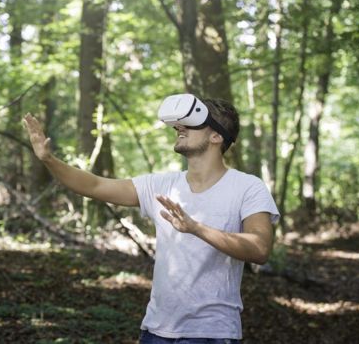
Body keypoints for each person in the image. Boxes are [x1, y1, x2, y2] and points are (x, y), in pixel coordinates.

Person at [23, 95, 279, 344]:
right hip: (156, 329)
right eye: (179, 123)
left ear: (216, 136)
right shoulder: (161, 184)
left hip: (212, 331)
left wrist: (196, 228)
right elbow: (96, 185)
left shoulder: (248, 187)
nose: (179, 127)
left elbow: (259, 249)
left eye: (191, 122)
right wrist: (49, 159)